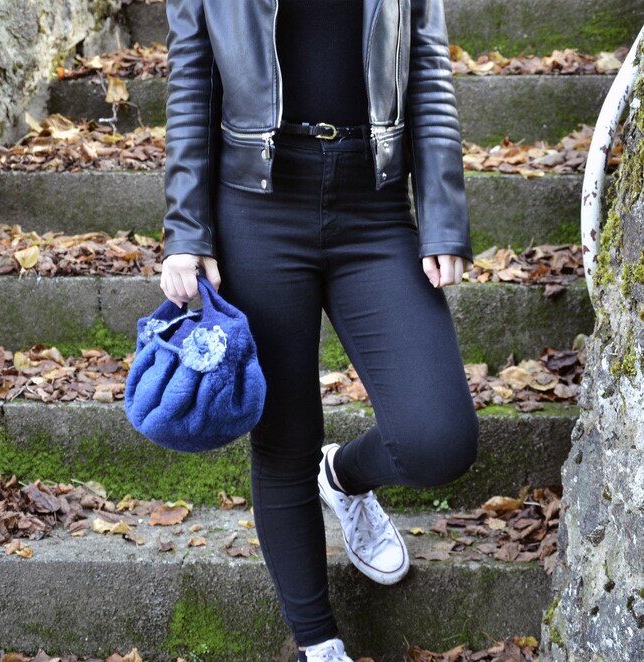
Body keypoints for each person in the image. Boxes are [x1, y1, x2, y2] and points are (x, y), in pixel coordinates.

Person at [158, 1, 480, 660]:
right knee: (284, 443)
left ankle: (345, 477)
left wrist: (443, 213)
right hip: (256, 209)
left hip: (377, 207)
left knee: (438, 442)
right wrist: (186, 232)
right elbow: (191, 85)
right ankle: (318, 644)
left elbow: (428, 70)